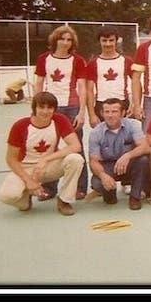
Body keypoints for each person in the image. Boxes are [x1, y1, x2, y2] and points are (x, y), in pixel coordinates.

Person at [0, 92, 84, 216]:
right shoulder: (20, 126)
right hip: (26, 168)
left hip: (49, 166)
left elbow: (76, 146)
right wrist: (29, 181)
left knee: (75, 159)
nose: (45, 111)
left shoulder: (60, 120)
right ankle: (25, 200)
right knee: (7, 196)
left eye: (50, 108)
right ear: (34, 108)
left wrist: (47, 158)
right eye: (41, 107)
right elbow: (11, 159)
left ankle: (64, 200)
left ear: (54, 109)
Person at [34, 25, 89, 201]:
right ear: (55, 39)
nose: (65, 43)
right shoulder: (43, 59)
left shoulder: (78, 61)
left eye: (69, 40)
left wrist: (81, 112)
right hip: (50, 108)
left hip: (71, 106)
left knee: (76, 146)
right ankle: (49, 188)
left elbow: (82, 86)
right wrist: (37, 107)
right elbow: (39, 83)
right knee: (51, 145)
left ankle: (80, 187)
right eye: (62, 38)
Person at [88, 98, 150, 210]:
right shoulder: (95, 133)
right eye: (107, 112)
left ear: (123, 113)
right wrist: (103, 176)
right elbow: (93, 161)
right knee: (97, 183)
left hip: (129, 163)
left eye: (114, 111)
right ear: (102, 113)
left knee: (143, 160)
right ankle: (110, 194)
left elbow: (145, 146)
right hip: (108, 166)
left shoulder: (133, 125)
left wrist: (128, 155)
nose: (110, 115)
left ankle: (135, 197)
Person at [87, 26, 133, 128]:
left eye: (111, 40)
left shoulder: (127, 61)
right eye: (104, 40)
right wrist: (91, 114)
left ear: (117, 41)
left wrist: (134, 104)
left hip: (122, 103)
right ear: (99, 41)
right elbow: (89, 91)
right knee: (103, 139)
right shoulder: (93, 63)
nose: (108, 44)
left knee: (125, 139)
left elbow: (136, 84)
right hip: (101, 105)